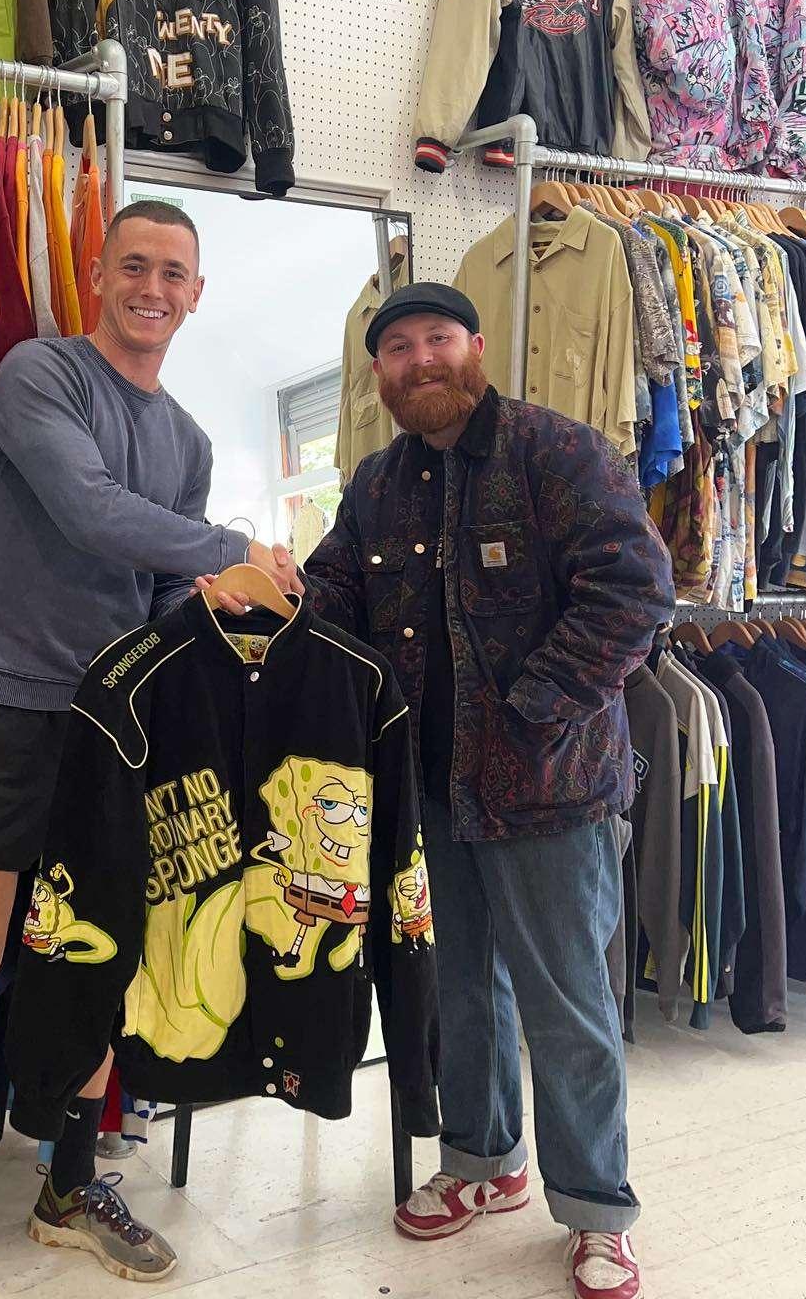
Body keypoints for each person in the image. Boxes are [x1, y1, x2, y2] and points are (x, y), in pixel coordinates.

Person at [206, 282, 674, 1299]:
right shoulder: (379, 484)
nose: (420, 359)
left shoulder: (558, 451)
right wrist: (266, 597)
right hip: (430, 788)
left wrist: (533, 709)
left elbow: (636, 590)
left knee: (567, 1006)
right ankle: (481, 1161)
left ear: (474, 347)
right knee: (458, 990)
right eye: (398, 347)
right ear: (379, 372)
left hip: (551, 789)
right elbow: (336, 597)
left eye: (438, 338)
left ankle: (597, 1210)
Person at [0, 201, 291, 1297]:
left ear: (196, 294)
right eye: (135, 266)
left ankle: (68, 1187)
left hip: (112, 725)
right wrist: (234, 547)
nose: (153, 288)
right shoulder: (40, 375)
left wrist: (221, 611)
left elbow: (153, 593)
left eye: (174, 273)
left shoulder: (188, 441)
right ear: (99, 274)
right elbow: (89, 511)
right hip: (3, 705)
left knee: (98, 955)